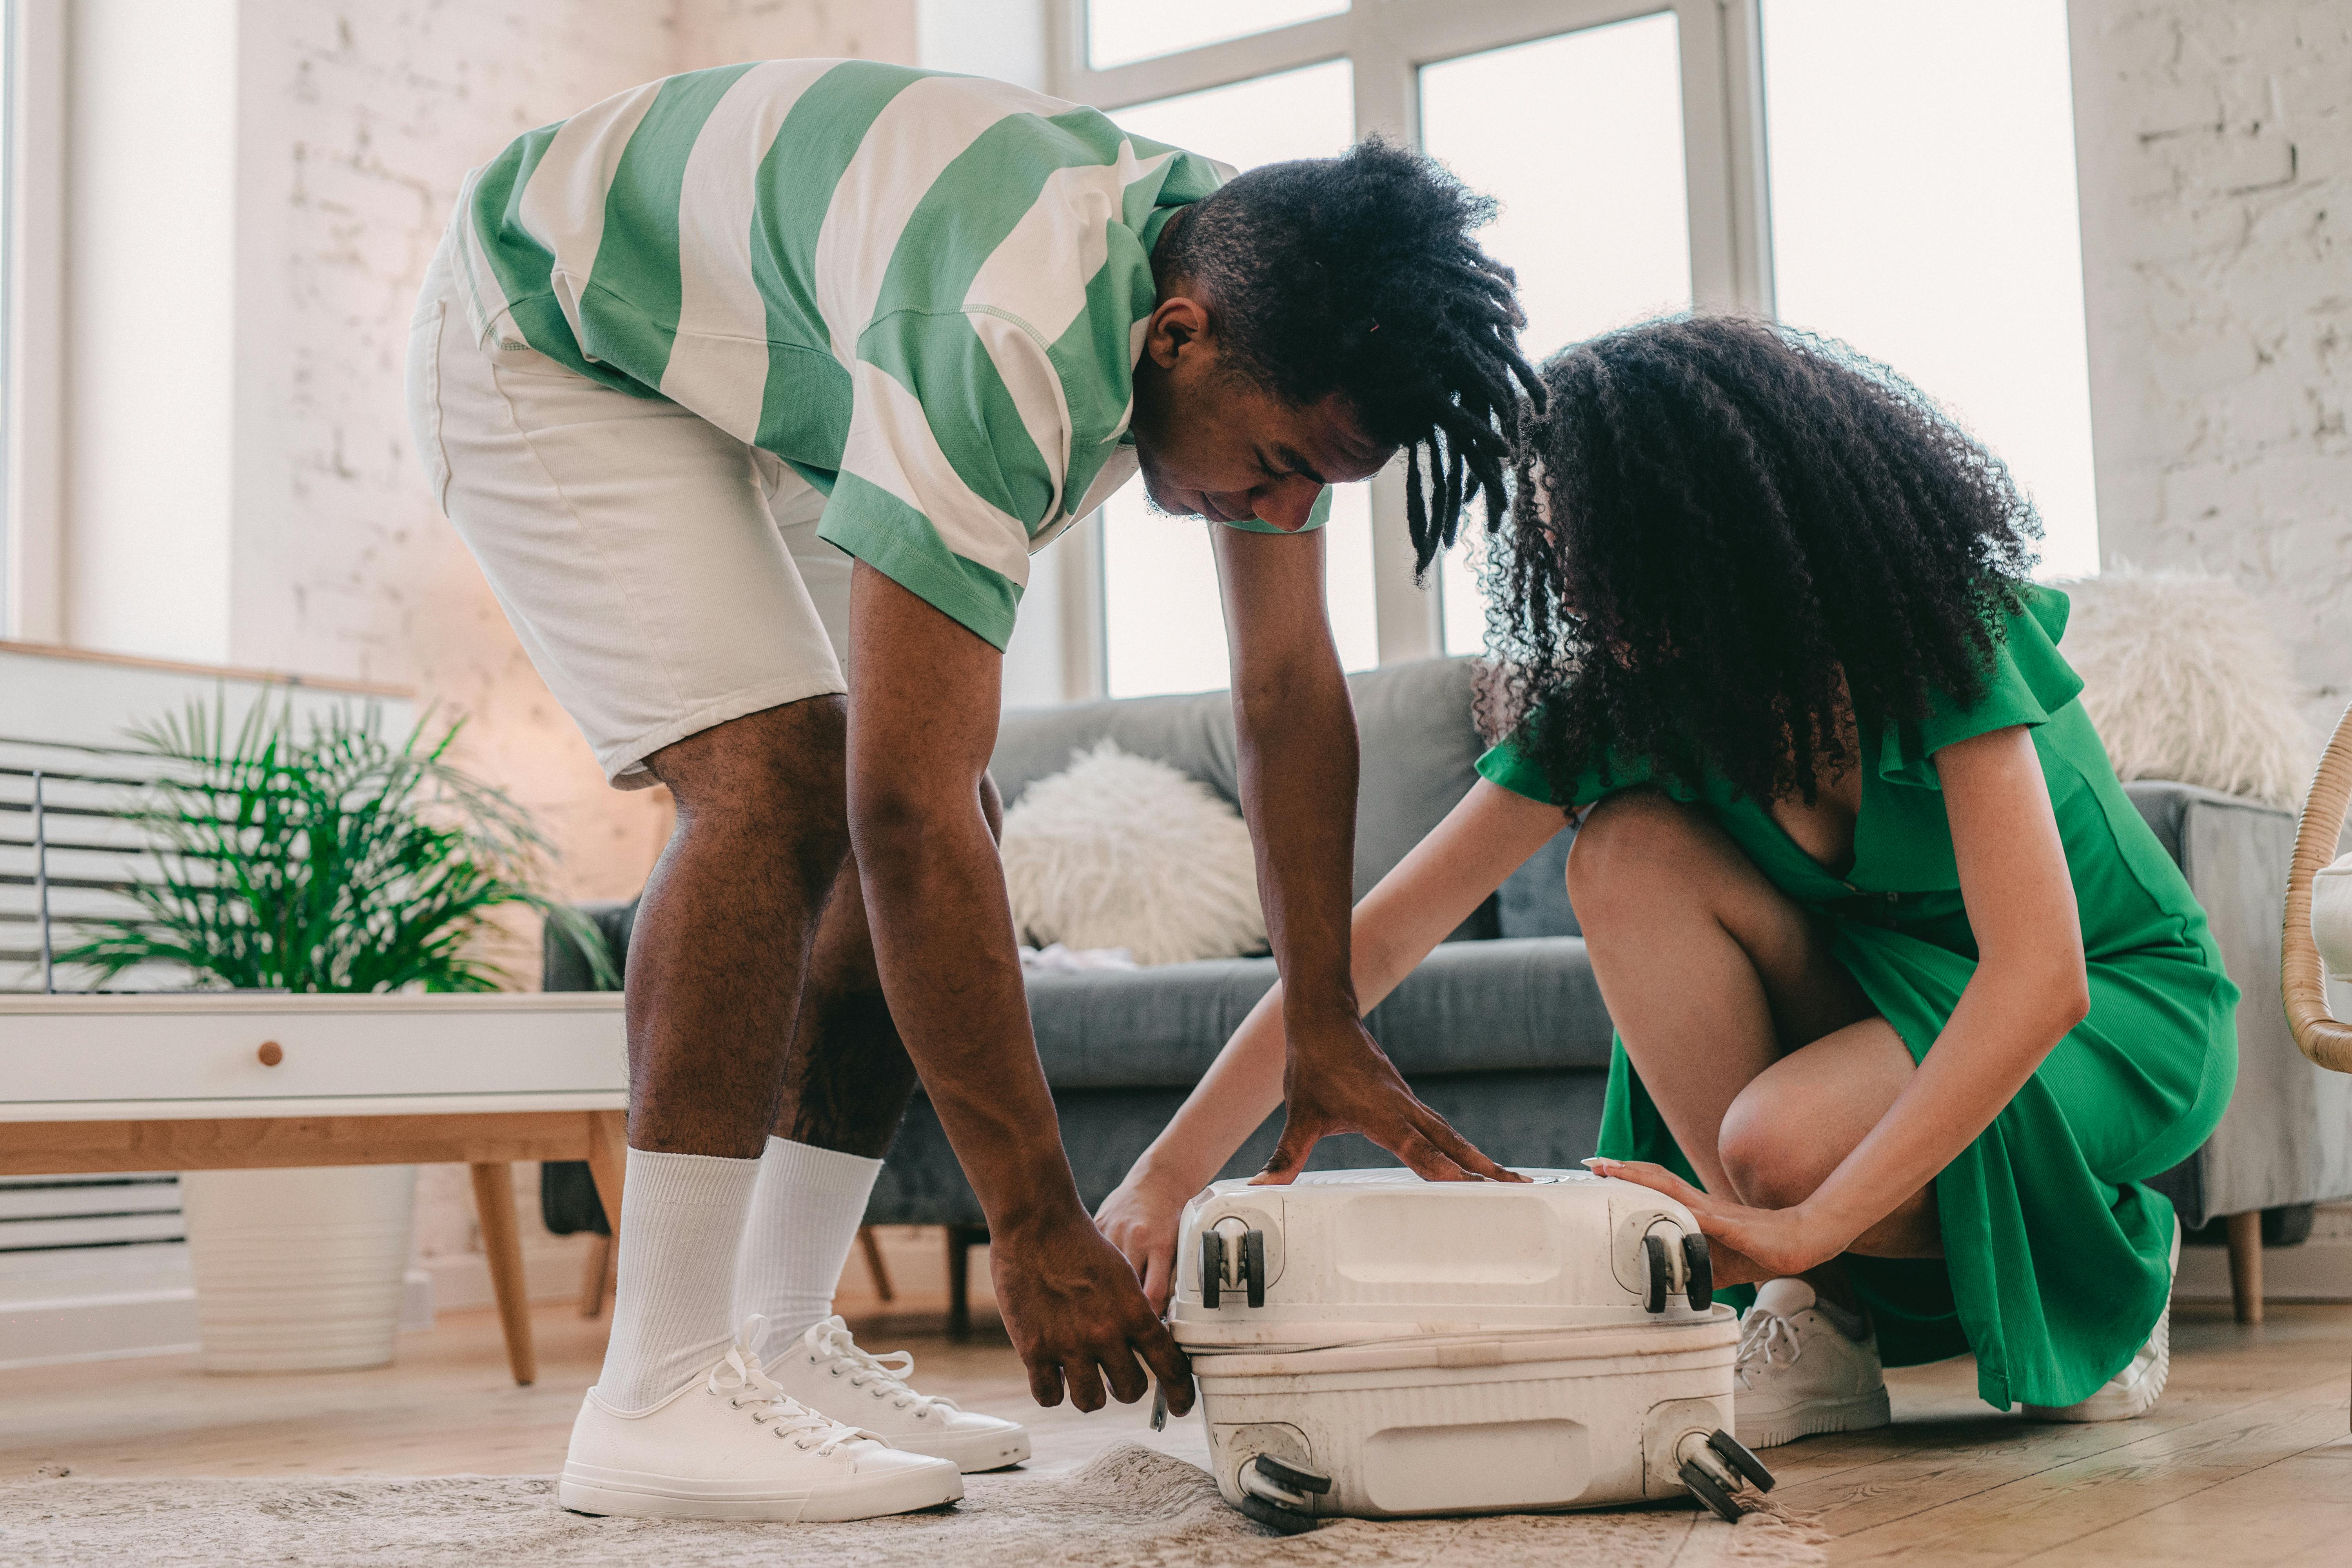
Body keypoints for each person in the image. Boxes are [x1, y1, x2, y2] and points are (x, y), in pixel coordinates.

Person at [406, 59, 1537, 1522]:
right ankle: (657, 1390)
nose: (1275, 511)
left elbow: (1286, 691)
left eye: (1312, 487)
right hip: (546, 323)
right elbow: (892, 815)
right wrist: (1033, 1220)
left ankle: (774, 1341)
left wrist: (1321, 1014)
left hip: (768, 368)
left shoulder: (1266, 283)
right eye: (1267, 469)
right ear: (1178, 339)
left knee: (960, 818)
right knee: (785, 786)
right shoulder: (1009, 331)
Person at [1097, 314, 2237, 1449]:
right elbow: (1372, 946)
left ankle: (2110, 1261)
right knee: (1625, 849)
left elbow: (2039, 981)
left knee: (1779, 1150)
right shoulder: (1631, 694)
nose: (1594, 606)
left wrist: (1802, 1224)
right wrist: (1163, 1178)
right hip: (1884, 995)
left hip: (2114, 1000)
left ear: (1735, 537)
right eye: (1566, 565)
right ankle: (1819, 1322)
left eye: (1618, 566)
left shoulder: (1938, 632)